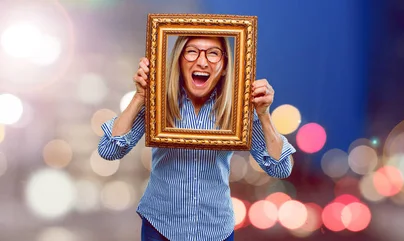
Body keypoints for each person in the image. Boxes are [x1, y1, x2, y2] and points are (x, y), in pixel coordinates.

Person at [97, 35, 296, 241]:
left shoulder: (236, 109)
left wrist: (263, 113)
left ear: (225, 66)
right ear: (179, 60)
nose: (202, 61)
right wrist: (140, 97)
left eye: (213, 53)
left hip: (216, 230)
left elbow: (280, 168)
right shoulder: (158, 101)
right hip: (160, 227)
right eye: (192, 51)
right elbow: (109, 150)